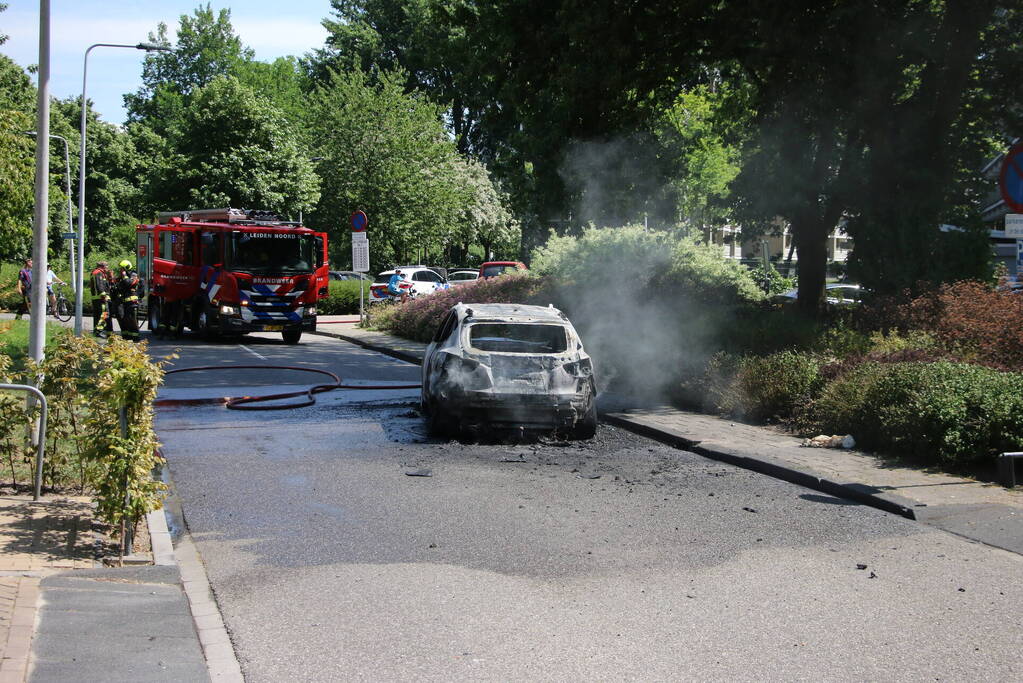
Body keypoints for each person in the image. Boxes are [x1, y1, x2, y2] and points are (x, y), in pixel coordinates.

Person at [114, 259, 141, 342]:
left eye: (121, 268)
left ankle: (136, 338)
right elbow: (119, 286)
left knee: (132, 320)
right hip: (125, 302)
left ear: (125, 268)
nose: (120, 270)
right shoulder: (123, 277)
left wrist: (124, 276)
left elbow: (129, 283)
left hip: (132, 302)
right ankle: (128, 337)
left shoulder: (133, 275)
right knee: (126, 320)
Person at [89, 261, 113, 337]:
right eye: (107, 266)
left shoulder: (98, 273)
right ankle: (98, 331)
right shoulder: (98, 273)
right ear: (103, 266)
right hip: (100, 298)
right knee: (105, 314)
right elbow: (99, 285)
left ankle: (96, 331)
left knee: (98, 316)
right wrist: (103, 295)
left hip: (97, 298)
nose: (107, 268)